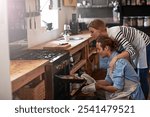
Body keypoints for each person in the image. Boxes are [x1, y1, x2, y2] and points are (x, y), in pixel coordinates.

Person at [88, 19, 150, 99]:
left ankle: (143, 103)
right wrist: (94, 83)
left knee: (142, 75)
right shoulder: (109, 36)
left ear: (100, 30)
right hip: (135, 47)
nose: (90, 35)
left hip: (144, 44)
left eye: (92, 32)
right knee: (134, 74)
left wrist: (115, 58)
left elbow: (130, 50)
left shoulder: (115, 33)